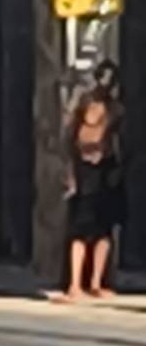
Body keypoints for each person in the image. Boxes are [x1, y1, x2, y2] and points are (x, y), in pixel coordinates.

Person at [64, 94, 121, 299]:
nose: (94, 114)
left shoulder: (110, 135)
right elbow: (69, 160)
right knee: (79, 236)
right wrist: (70, 181)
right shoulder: (74, 133)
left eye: (99, 111)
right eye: (91, 110)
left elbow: (116, 160)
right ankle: (75, 283)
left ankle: (97, 282)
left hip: (103, 189)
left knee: (103, 235)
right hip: (82, 189)